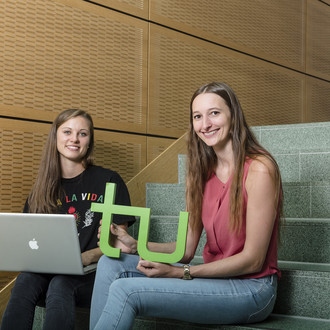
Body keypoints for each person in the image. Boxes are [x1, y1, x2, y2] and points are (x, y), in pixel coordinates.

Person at [89, 82, 283, 329]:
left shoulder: (259, 169)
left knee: (127, 291)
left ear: (233, 115)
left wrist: (182, 272)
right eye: (197, 117)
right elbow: (187, 249)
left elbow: (253, 261)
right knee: (109, 263)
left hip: (252, 288)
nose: (205, 124)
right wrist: (137, 245)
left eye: (214, 113)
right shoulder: (200, 173)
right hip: (213, 277)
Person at [0, 109, 135, 330]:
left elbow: (119, 245)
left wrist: (82, 258)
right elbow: (28, 244)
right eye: (67, 132)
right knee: (25, 280)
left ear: (89, 141)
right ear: (55, 137)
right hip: (49, 271)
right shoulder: (40, 189)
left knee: (61, 284)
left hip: (92, 273)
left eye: (82, 133)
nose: (74, 139)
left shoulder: (109, 180)